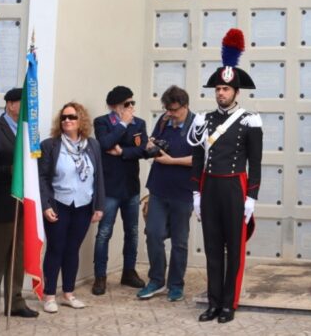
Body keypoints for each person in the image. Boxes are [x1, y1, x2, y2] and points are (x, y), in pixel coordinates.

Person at [189, 29, 262, 324]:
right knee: (212, 248)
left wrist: (251, 198)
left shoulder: (250, 119)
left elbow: (255, 162)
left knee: (234, 249)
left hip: (235, 186)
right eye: (218, 88)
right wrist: (195, 193)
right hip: (210, 187)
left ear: (236, 92)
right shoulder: (202, 120)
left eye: (226, 89)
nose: (221, 93)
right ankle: (214, 302)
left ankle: (230, 303)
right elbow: (196, 158)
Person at [0, 88, 38, 327]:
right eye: (22, 104)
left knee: (17, 258)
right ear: (11, 105)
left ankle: (15, 301)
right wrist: (9, 172)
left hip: (23, 206)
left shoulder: (28, 132)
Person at [38, 102, 105, 314]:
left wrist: (99, 205)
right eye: (64, 117)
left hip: (84, 205)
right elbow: (42, 177)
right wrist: (46, 204)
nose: (67, 120)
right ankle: (49, 295)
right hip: (60, 204)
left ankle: (68, 293)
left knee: (72, 250)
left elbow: (99, 177)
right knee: (56, 249)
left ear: (81, 120)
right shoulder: (50, 145)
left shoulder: (92, 145)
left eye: (72, 117)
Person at [137, 85, 197, 302]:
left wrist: (173, 161)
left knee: (180, 241)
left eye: (174, 110)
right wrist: (151, 145)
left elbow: (201, 159)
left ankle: (176, 285)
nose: (170, 114)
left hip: (183, 191)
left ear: (185, 106)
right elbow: (153, 143)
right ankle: (156, 280)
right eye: (167, 109)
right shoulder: (163, 121)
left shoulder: (197, 125)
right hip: (159, 188)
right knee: (153, 234)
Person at [92, 85, 148, 294]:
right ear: (114, 106)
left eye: (133, 103)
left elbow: (143, 149)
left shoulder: (140, 123)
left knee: (132, 232)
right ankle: (100, 276)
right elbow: (104, 142)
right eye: (127, 104)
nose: (131, 107)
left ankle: (129, 272)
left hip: (131, 187)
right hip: (109, 188)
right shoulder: (102, 122)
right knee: (104, 233)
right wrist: (123, 124)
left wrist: (122, 151)